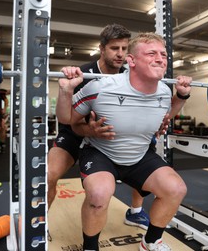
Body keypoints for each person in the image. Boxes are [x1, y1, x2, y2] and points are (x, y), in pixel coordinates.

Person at [57, 32, 192, 251]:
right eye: (152, 53)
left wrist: (182, 96)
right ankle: (90, 247)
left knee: (176, 189)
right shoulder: (101, 87)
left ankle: (150, 242)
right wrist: (66, 90)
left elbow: (167, 115)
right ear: (131, 61)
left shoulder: (165, 92)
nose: (161, 59)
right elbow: (67, 119)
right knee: (99, 194)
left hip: (139, 155)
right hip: (102, 153)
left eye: (164, 54)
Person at [47, 23, 151, 230]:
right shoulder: (82, 75)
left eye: (124, 49)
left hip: (106, 135)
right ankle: (40, 221)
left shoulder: (129, 77)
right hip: (74, 133)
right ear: (102, 49)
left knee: (145, 159)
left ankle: (135, 213)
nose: (120, 54)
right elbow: (67, 119)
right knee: (49, 174)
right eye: (115, 48)